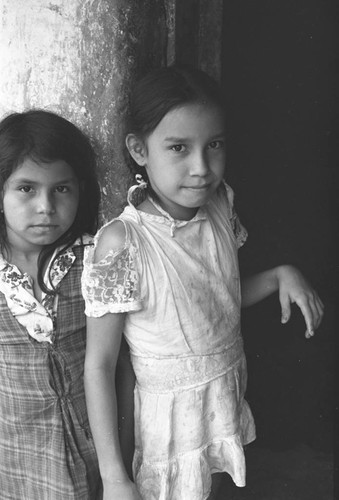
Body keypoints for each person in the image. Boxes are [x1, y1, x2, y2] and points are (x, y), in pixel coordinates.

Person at [81, 66, 324, 500]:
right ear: (139, 149)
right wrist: (115, 479)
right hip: (166, 430)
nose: (201, 168)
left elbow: (219, 299)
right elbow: (99, 365)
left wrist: (277, 276)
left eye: (214, 145)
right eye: (178, 148)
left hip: (220, 402)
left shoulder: (218, 205)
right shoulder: (124, 243)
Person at [0, 110, 102, 499]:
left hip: (93, 456)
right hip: (14, 466)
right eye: (26, 188)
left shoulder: (95, 259)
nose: (45, 206)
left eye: (62, 189)